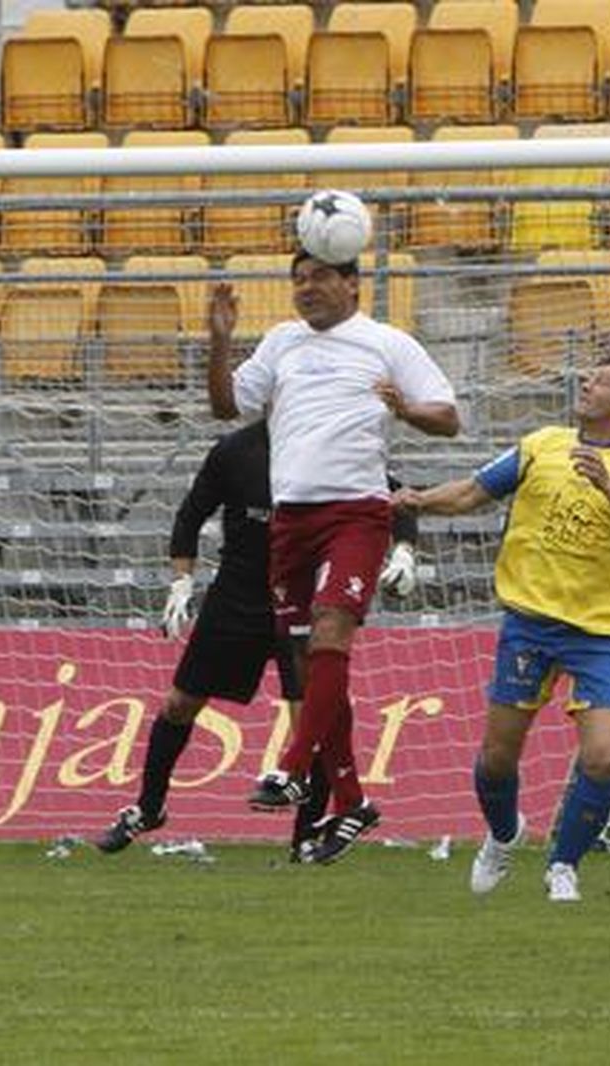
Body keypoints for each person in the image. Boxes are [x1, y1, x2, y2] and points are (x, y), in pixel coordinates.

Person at [207, 250, 459, 864]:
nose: (305, 287)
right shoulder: (281, 342)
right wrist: (219, 342)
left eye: (319, 276)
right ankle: (352, 800)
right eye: (297, 279)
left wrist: (405, 409)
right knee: (306, 658)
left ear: (352, 283)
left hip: (357, 513)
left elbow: (448, 417)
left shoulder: (386, 342)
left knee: (329, 631)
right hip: (290, 518)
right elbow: (225, 406)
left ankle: (294, 767)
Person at [394, 354, 610, 903]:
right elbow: (473, 491)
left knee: (604, 757)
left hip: (602, 633)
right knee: (498, 757)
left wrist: (608, 485)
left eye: (600, 381)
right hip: (530, 624)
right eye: (588, 376)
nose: (585, 383)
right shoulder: (542, 444)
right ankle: (503, 836)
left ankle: (563, 866)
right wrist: (419, 501)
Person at [93, 420, 421, 860]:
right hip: (236, 597)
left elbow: (397, 500)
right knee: (179, 703)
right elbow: (190, 514)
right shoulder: (234, 450)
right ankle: (148, 809)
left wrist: (404, 550)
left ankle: (306, 836)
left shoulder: (333, 441)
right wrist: (181, 582)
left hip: (302, 598)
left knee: (313, 719)